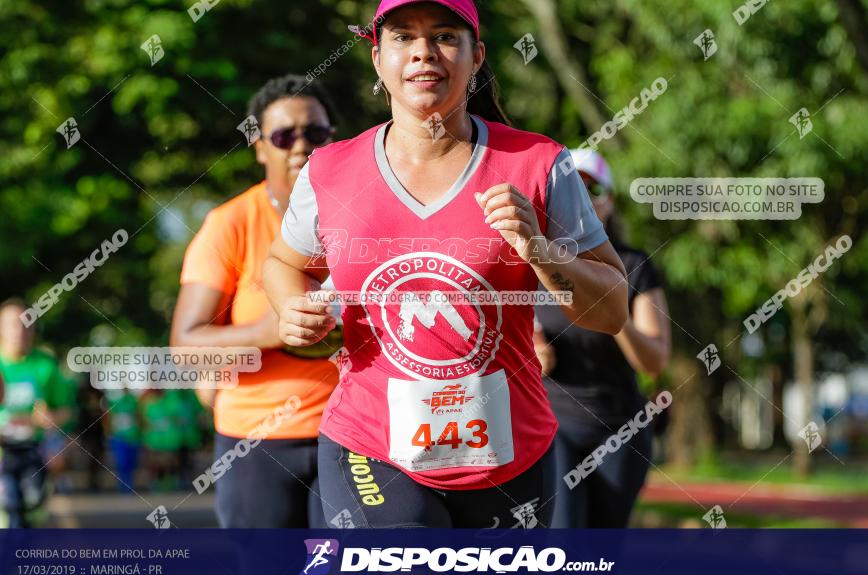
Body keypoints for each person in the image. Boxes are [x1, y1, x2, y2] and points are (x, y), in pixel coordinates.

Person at [263, 0, 628, 529]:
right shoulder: (330, 170)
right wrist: (289, 308)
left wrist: (540, 251)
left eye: (444, 37)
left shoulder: (539, 164)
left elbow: (612, 311)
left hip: (510, 455)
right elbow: (281, 262)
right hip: (373, 443)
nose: (423, 53)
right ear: (377, 58)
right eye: (403, 37)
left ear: (477, 56)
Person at [171, 74, 340, 527]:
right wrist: (267, 331)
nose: (301, 146)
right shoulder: (230, 225)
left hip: (350, 436)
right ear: (261, 147)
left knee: (350, 573)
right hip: (256, 439)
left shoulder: (364, 218)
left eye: (316, 133)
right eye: (284, 136)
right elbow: (185, 346)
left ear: (333, 140)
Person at [533, 149, 672, 528]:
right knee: (561, 544)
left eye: (593, 190)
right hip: (554, 426)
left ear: (609, 201)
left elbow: (655, 361)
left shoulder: (634, 266)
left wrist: (612, 312)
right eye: (572, 189)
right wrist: (532, 348)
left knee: (601, 556)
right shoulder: (534, 262)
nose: (582, 200)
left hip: (621, 428)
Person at [0, 298, 73, 527]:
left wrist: (51, 421)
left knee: (33, 508)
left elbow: (67, 412)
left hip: (35, 451)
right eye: (12, 324)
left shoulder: (46, 366)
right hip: (3, 452)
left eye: (25, 323)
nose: (18, 331)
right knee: (9, 506)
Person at [105, 387, 141, 492]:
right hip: (120, 437)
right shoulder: (116, 403)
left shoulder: (133, 402)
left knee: (130, 462)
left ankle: (129, 483)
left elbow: (138, 417)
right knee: (122, 462)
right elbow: (110, 418)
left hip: (132, 436)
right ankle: (123, 484)